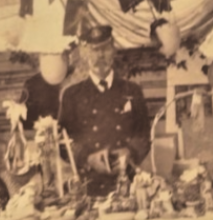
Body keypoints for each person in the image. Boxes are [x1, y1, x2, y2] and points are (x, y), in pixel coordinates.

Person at [58, 26, 150, 195]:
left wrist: (130, 152)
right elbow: (63, 142)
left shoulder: (132, 91)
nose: (100, 55)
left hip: (128, 184)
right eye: (94, 50)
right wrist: (87, 158)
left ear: (113, 50)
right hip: (88, 186)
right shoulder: (72, 95)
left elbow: (144, 135)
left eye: (105, 49)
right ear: (85, 53)